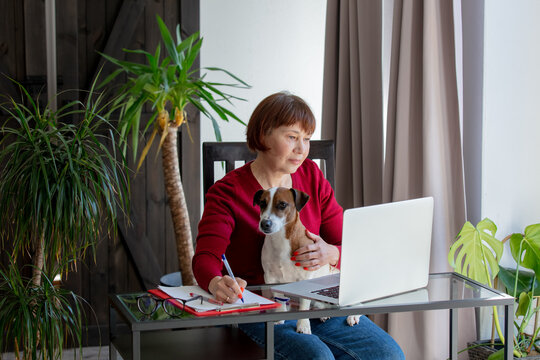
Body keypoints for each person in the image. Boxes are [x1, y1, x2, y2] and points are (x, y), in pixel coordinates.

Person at [192, 91, 404, 360]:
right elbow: (206, 258)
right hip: (262, 309)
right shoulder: (228, 191)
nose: (302, 149)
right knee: (317, 357)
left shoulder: (312, 177)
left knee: (387, 354)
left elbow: (346, 241)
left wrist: (333, 253)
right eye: (292, 137)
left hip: (317, 303)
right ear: (263, 135)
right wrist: (215, 282)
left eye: (306, 139)